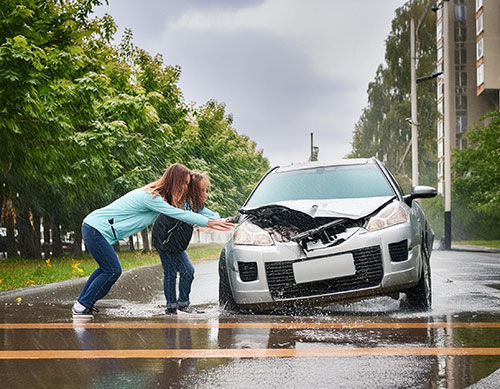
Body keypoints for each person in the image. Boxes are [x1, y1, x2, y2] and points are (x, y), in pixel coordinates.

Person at [72, 163, 234, 319]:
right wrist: (208, 222)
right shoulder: (152, 197)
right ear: (175, 181)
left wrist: (216, 219)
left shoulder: (159, 196)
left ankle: (83, 304)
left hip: (95, 227)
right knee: (112, 270)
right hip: (96, 227)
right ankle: (82, 305)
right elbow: (178, 214)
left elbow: (188, 209)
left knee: (106, 269)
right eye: (184, 183)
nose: (186, 187)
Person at [152, 171, 223, 314]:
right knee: (171, 273)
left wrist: (225, 221)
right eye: (202, 190)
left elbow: (212, 216)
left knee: (188, 271)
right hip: (164, 240)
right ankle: (171, 307)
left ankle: (183, 303)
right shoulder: (178, 202)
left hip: (177, 243)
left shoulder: (195, 205)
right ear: (194, 191)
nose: (206, 194)